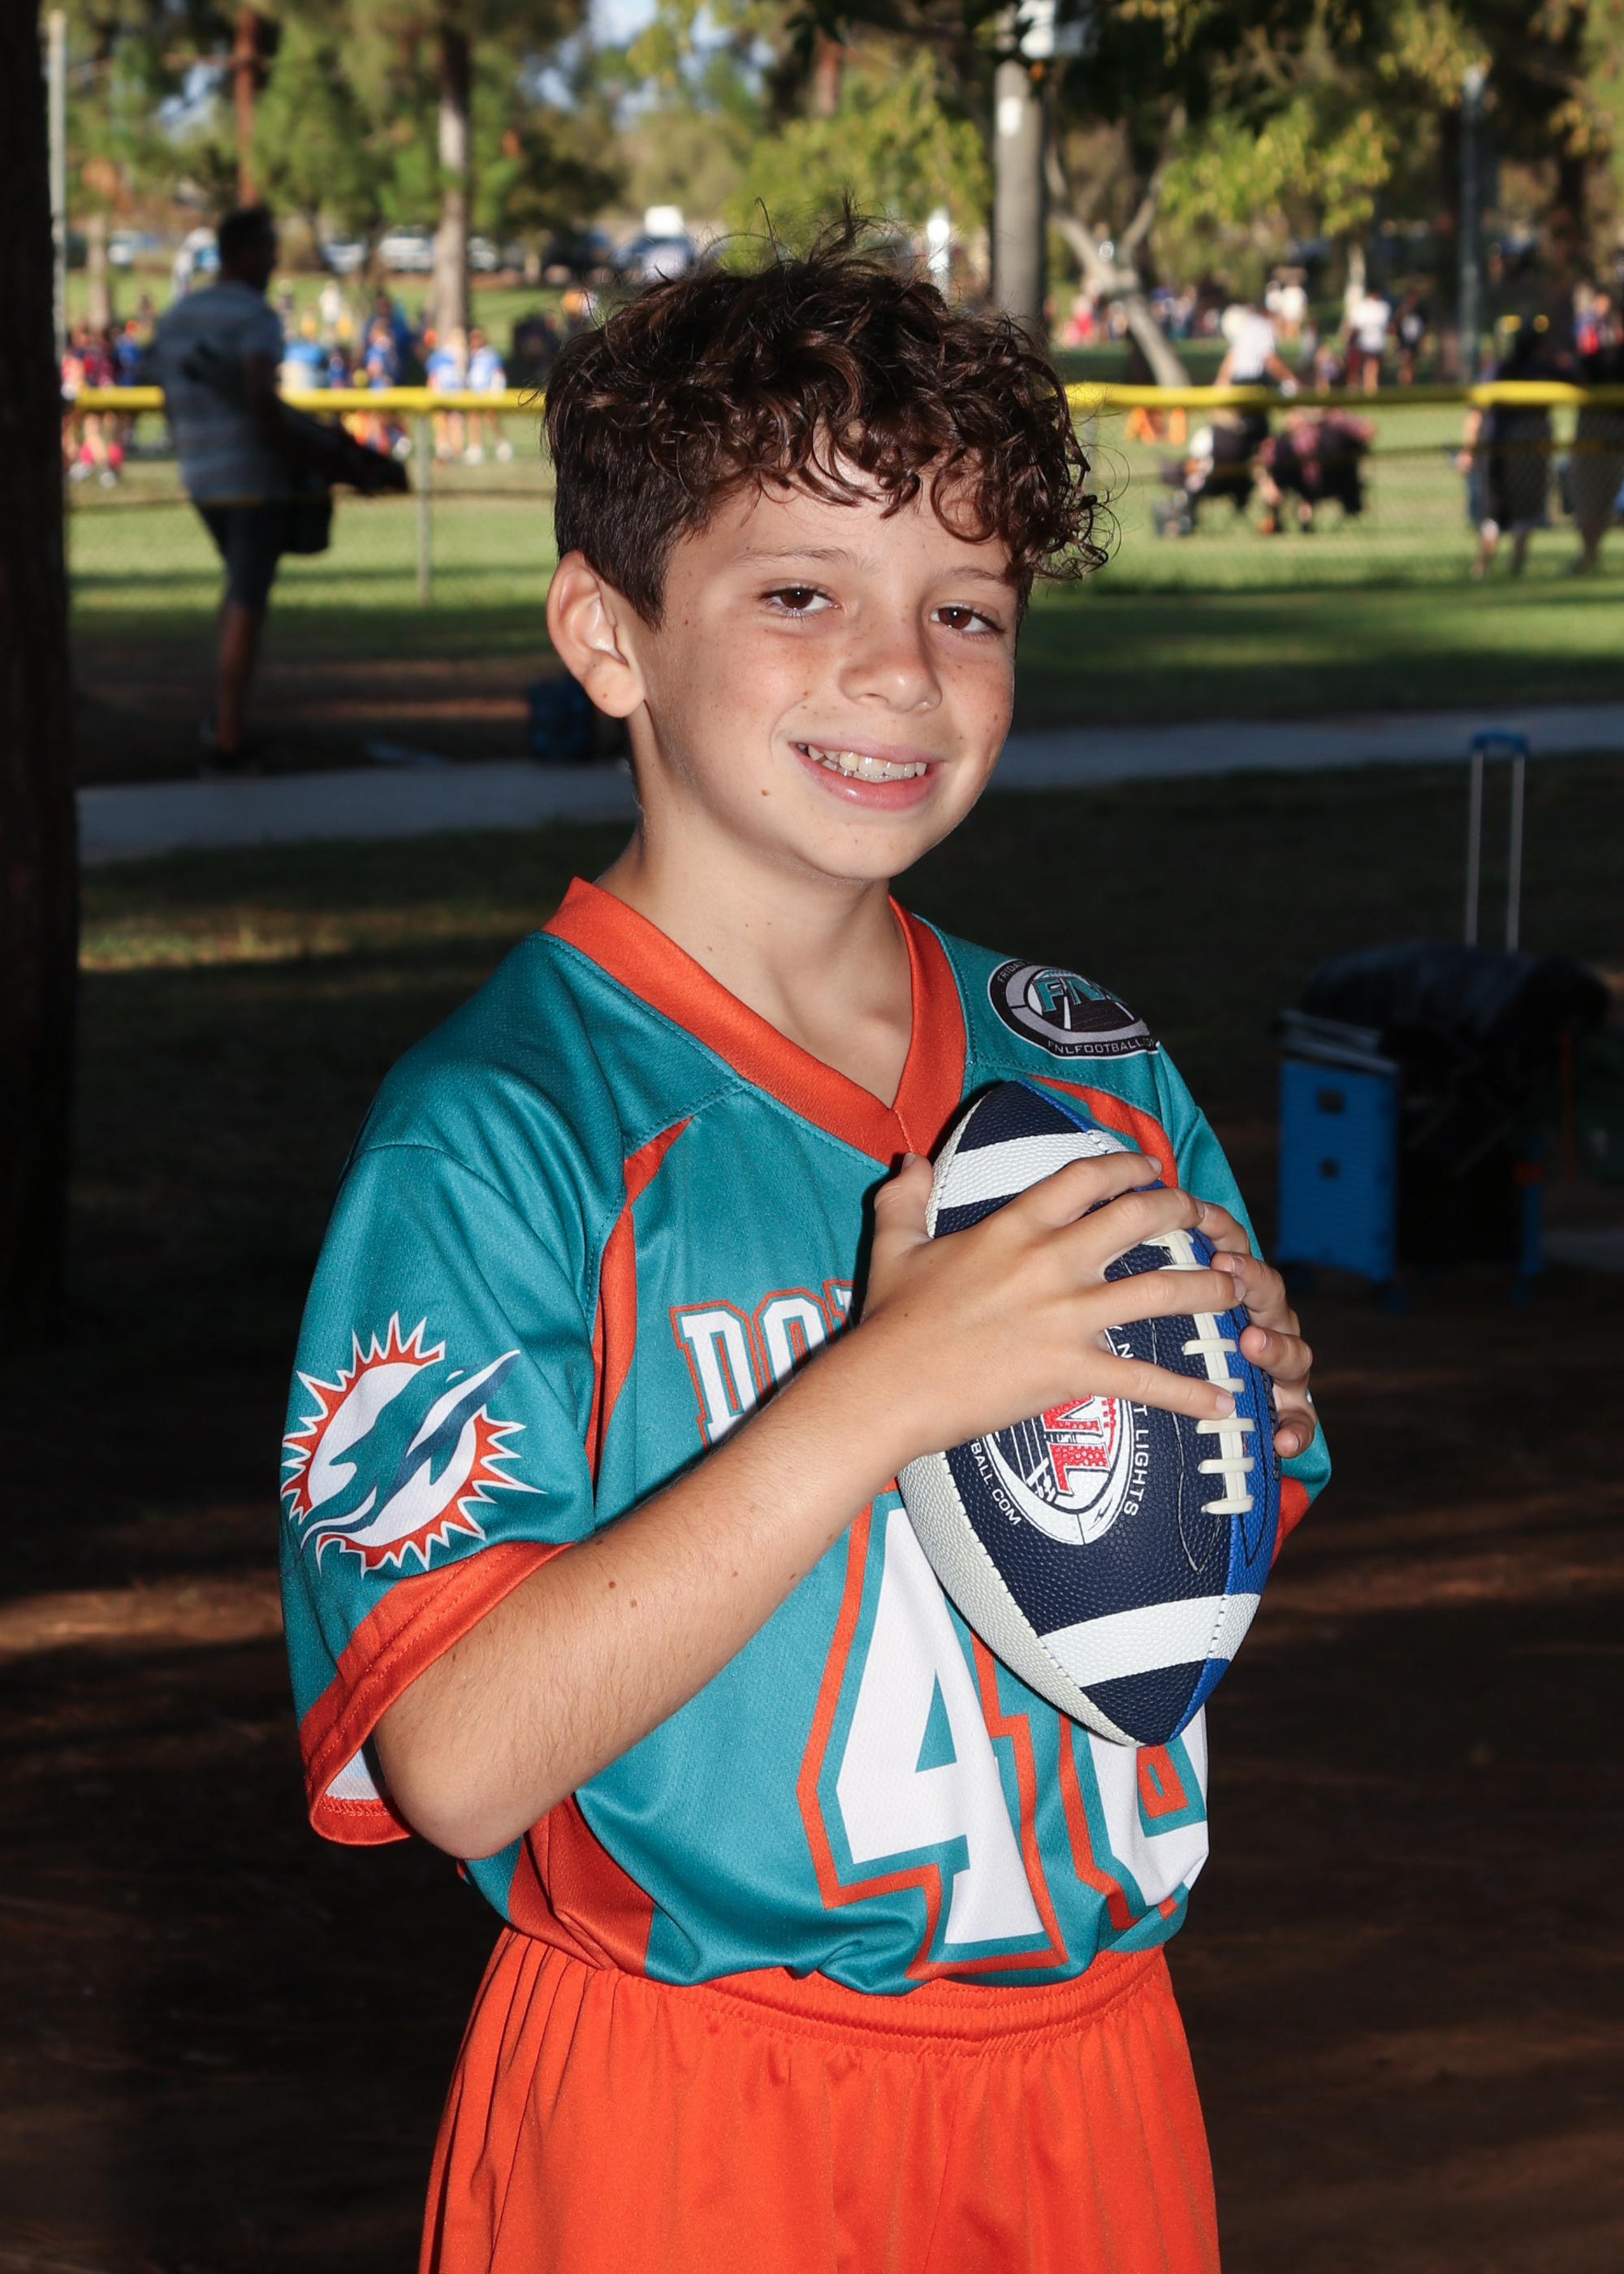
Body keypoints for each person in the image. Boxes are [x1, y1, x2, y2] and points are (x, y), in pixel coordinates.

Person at [279, 236, 1326, 2274]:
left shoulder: (1086, 1064)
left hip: (1092, 2071)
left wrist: (1242, 1399)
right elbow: (455, 1759)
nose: (899, 672)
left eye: (965, 608)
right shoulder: (501, 1129)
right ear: (606, 635)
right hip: (690, 2103)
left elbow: (1177, 1560)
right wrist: (876, 1394)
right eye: (797, 595)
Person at [148, 204, 403, 772]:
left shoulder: (178, 316)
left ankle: (222, 717)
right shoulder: (253, 315)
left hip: (200, 476)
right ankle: (228, 739)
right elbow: (260, 390)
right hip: (251, 480)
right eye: (266, 249)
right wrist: (294, 455)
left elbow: (166, 396)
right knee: (247, 601)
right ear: (241, 254)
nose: (273, 260)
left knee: (237, 594)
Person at [1569, 334, 1624, 573]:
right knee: (1590, 501)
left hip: (1611, 434)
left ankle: (1589, 554)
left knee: (1603, 502)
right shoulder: (1592, 358)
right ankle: (1589, 554)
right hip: (1593, 435)